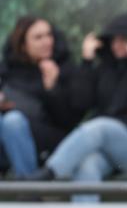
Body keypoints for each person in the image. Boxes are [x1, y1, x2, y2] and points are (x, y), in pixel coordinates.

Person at [25, 13, 127, 208]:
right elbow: (80, 102)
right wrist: (87, 62)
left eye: (125, 39)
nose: (118, 44)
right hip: (110, 153)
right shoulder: (104, 71)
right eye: (115, 39)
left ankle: (47, 177)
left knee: (100, 126)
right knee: (88, 163)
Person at [0, 16, 84, 180]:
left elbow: (69, 121)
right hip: (11, 137)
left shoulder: (64, 68)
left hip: (52, 139)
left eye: (49, 35)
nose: (47, 41)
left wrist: (52, 88)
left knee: (13, 121)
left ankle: (29, 190)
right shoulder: (7, 70)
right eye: (39, 37)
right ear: (23, 45)